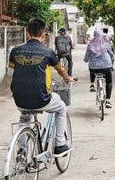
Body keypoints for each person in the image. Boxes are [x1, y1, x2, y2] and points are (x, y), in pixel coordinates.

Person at [8, 18, 73, 157]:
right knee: (61, 107)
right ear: (44, 35)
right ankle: (60, 145)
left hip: (19, 100)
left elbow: (14, 68)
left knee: (25, 118)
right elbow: (61, 70)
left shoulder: (15, 51)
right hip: (41, 99)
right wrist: (67, 78)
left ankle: (22, 152)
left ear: (27, 33)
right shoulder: (48, 52)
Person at [84, 29, 115, 108]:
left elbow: (87, 57)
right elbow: (111, 55)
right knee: (109, 82)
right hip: (106, 67)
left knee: (92, 68)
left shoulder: (90, 44)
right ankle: (108, 101)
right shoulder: (106, 44)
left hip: (94, 68)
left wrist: (86, 60)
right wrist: (112, 62)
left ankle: (92, 84)